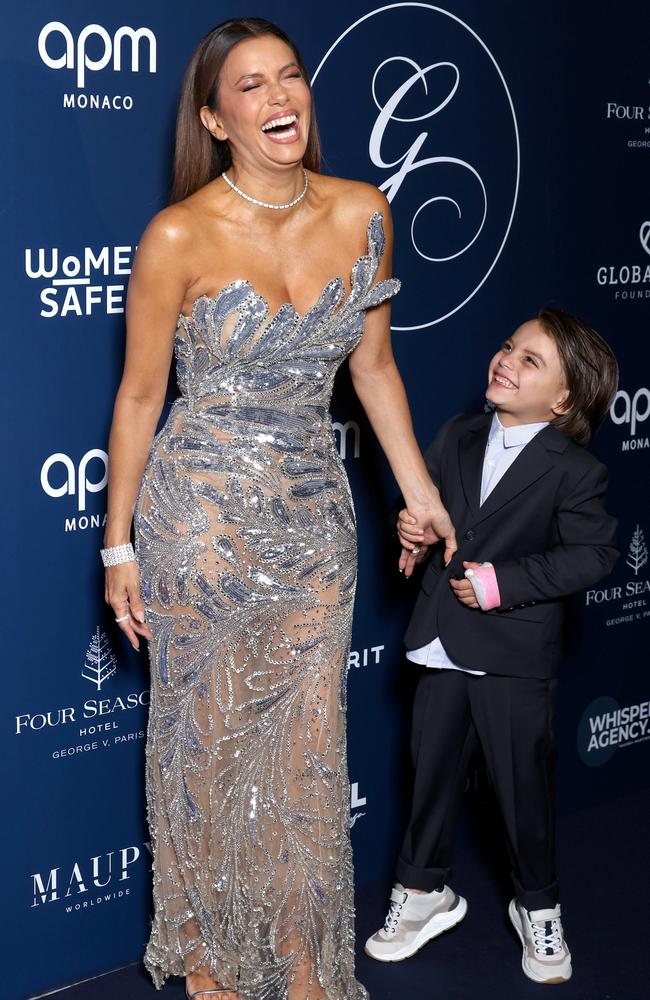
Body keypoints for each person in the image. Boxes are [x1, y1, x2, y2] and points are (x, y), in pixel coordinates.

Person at [101, 17, 455, 1000]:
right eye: (248, 87)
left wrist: (418, 495)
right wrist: (116, 547)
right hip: (199, 529)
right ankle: (214, 977)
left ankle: (302, 973)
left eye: (288, 78)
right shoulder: (179, 233)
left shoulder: (361, 212)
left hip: (311, 533)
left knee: (301, 770)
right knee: (208, 765)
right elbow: (138, 397)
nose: (278, 99)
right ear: (214, 118)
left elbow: (374, 371)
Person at [365, 308, 619, 985]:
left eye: (531, 360)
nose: (506, 360)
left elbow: (594, 556)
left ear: (564, 400)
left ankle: (538, 906)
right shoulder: (459, 433)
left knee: (520, 790)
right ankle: (423, 893)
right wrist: (414, 529)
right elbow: (437, 512)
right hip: (442, 639)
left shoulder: (574, 471)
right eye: (509, 346)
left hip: (514, 653)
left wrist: (504, 583)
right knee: (431, 776)